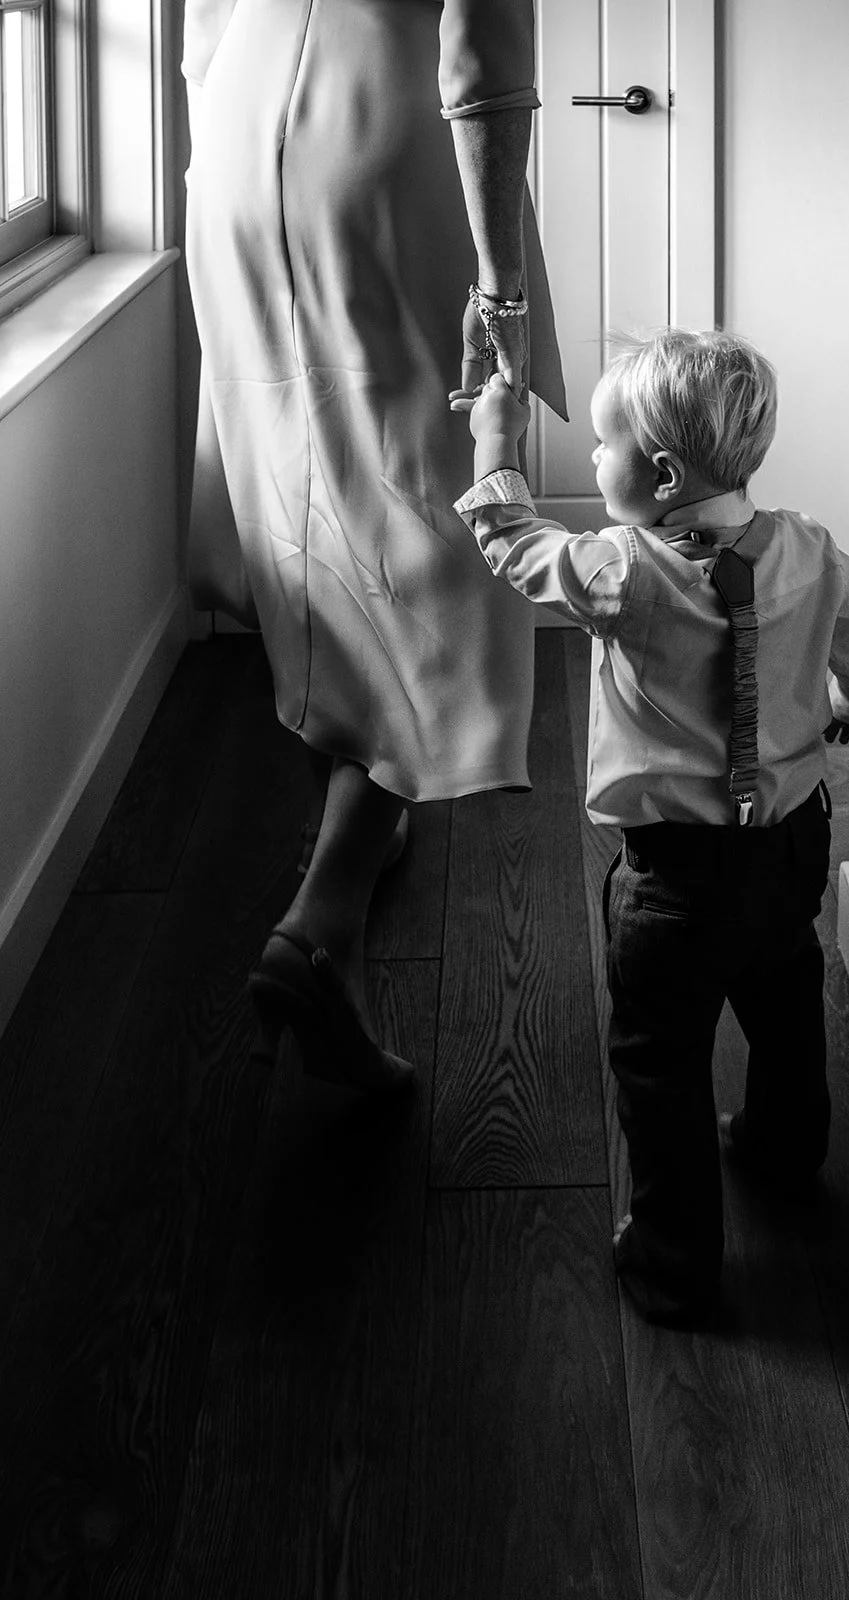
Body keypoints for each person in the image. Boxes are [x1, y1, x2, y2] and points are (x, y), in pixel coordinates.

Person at [451, 329, 849, 1323]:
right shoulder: (811, 551)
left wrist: (495, 438)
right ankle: (784, 1150)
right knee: (784, 1003)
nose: (595, 463)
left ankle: (672, 1260)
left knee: (657, 1063)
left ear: (655, 472)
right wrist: (846, 711)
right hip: (786, 847)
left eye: (602, 448)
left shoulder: (620, 572)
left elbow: (512, 546)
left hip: (672, 881)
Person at [181, 0, 566, 1093]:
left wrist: (225, 133)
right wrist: (501, 283)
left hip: (237, 129)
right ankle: (327, 914)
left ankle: (351, 820)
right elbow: (483, 41)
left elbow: (199, 29)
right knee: (441, 523)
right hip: (385, 128)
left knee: (297, 493)